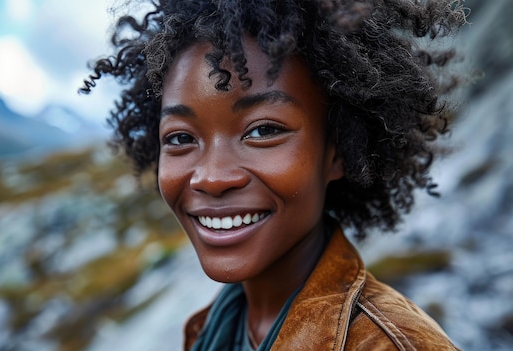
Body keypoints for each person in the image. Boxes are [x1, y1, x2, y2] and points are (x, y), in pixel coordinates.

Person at [81, 0, 468, 349]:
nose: (212, 178)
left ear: (338, 151)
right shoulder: (213, 331)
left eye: (263, 130)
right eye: (181, 137)